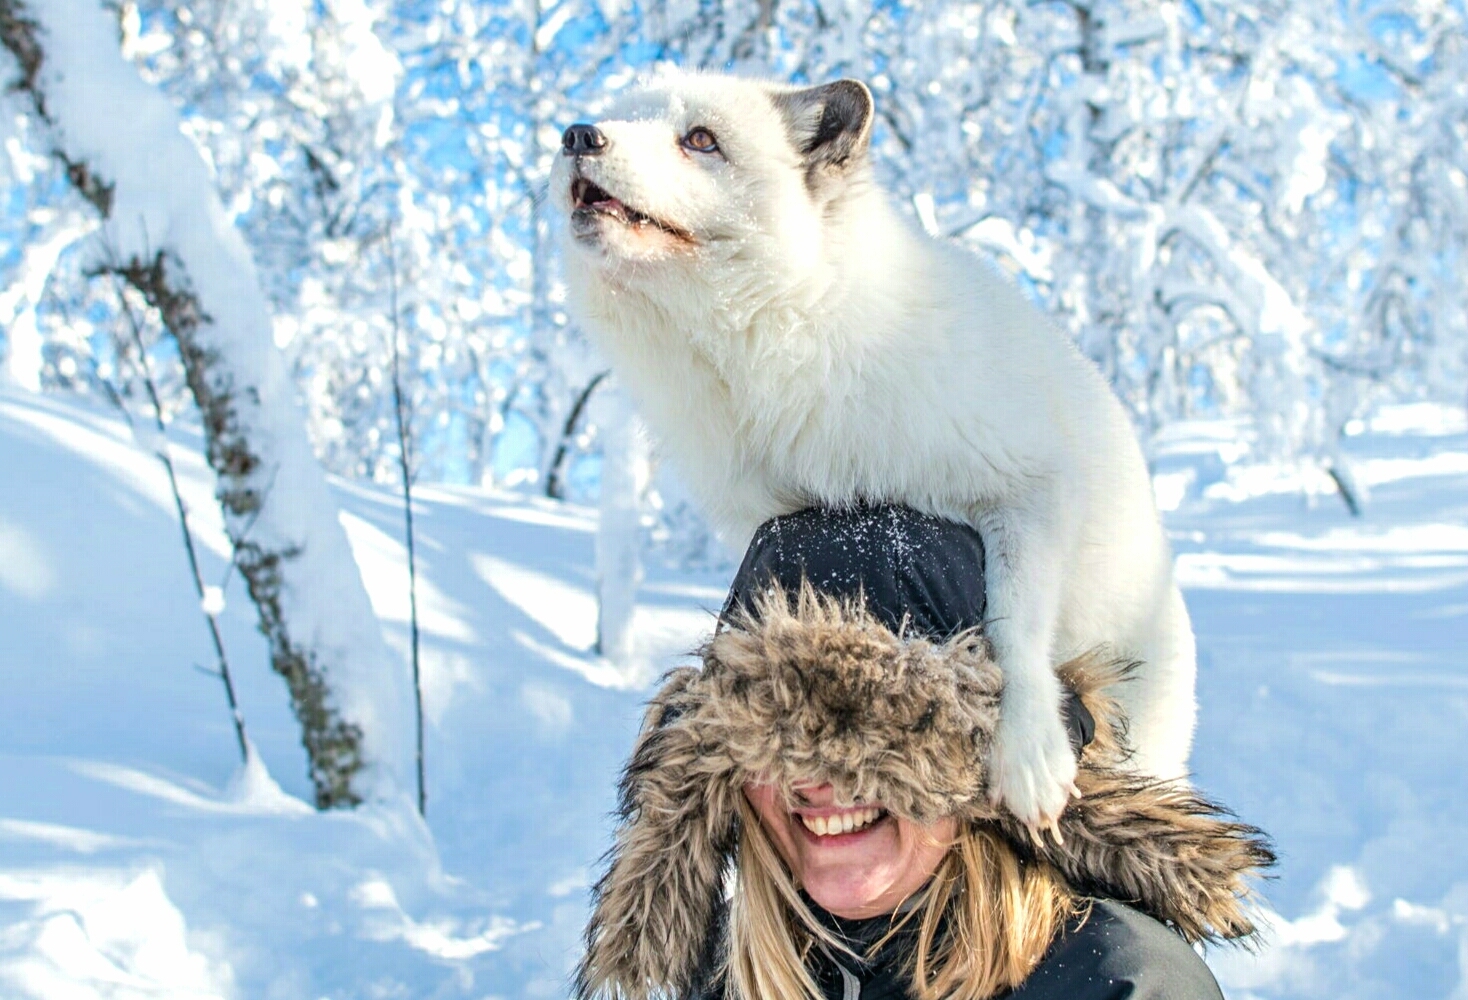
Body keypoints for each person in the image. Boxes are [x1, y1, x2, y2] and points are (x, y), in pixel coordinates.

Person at [576, 506, 1273, 1000]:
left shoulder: (1117, 981)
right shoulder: (727, 980)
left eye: (877, 742)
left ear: (984, 768)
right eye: (774, 742)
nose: (819, 781)